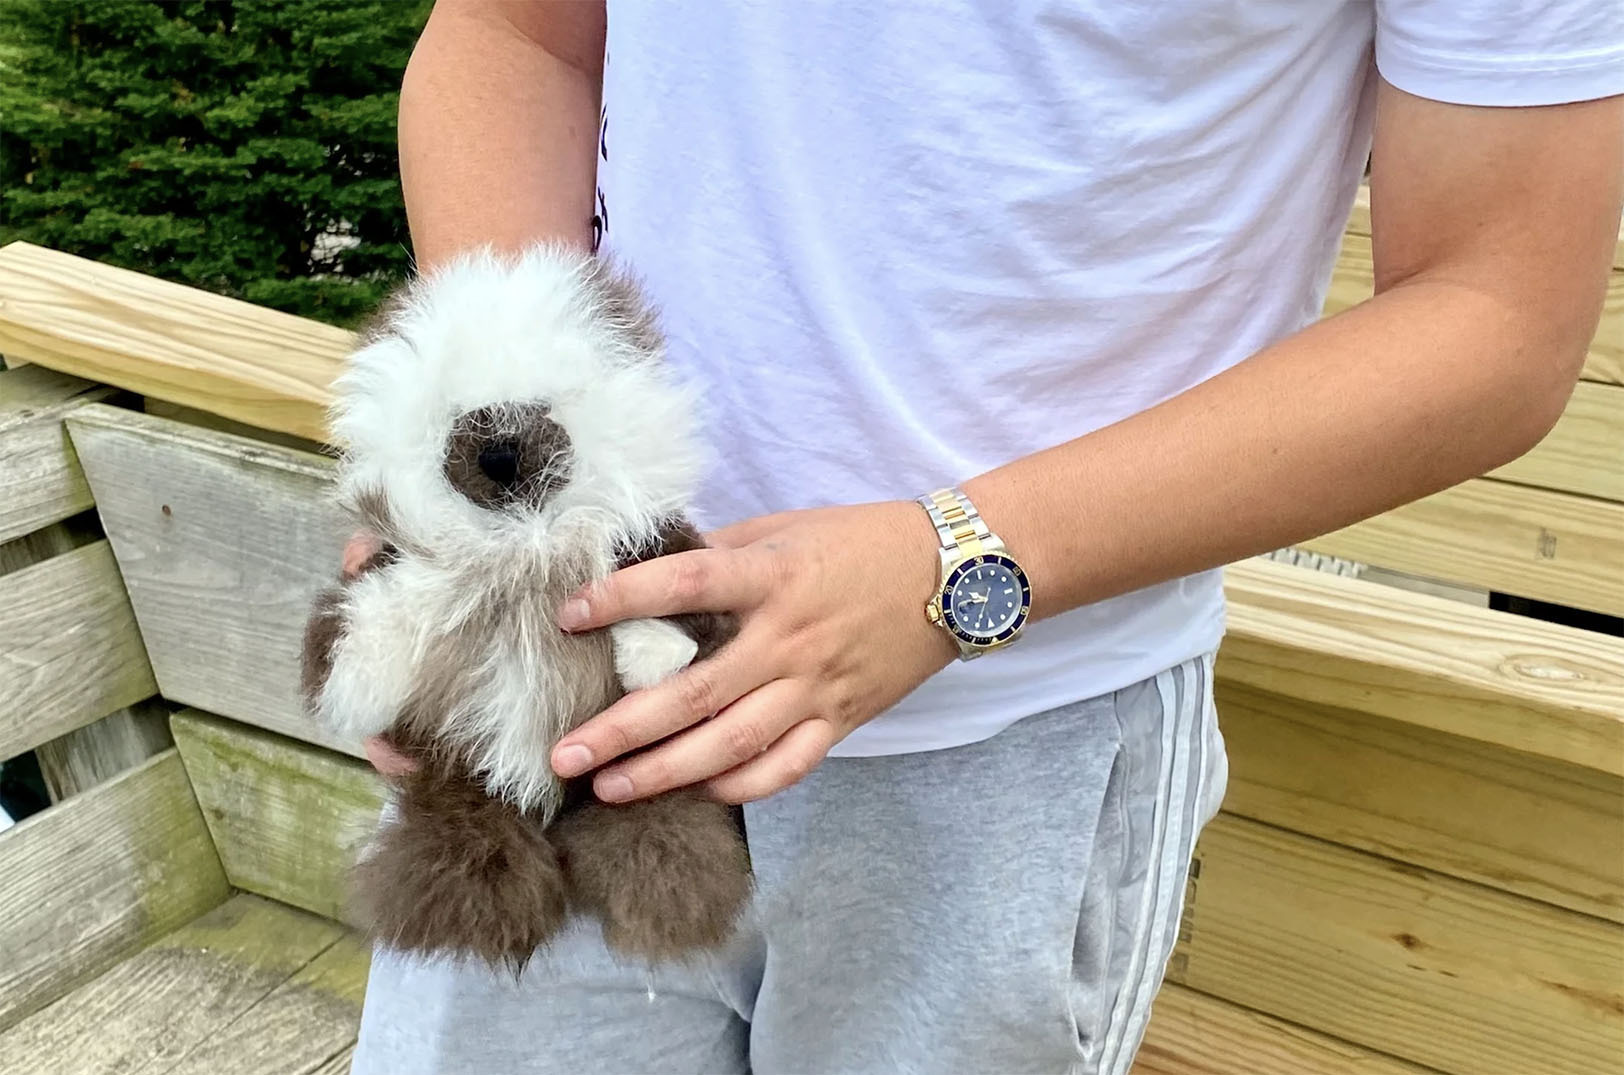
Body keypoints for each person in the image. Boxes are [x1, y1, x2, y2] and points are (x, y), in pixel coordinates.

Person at [348, 2, 1623, 1072]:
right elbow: (519, 37)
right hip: (558, 672)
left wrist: (958, 564)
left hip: (1019, 738)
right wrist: (477, 457)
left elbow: (1496, 308)